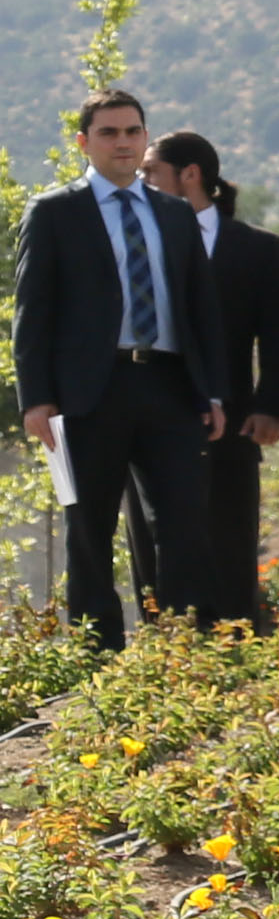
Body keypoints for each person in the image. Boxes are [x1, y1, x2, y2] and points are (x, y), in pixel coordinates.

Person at [13, 91, 223, 649]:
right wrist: (36, 399)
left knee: (182, 525)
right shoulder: (55, 211)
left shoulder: (175, 214)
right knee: (91, 530)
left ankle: (179, 653)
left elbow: (202, 310)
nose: (124, 142)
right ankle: (97, 657)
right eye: (109, 133)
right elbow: (33, 311)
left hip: (170, 386)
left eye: (133, 131)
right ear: (84, 142)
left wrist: (214, 393)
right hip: (89, 392)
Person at [134, 132, 279, 627]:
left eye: (150, 173)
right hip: (152, 413)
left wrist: (271, 407)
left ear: (190, 175)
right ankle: (166, 641)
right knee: (157, 533)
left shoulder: (258, 249)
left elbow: (276, 335)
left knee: (229, 530)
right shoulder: (139, 242)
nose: (141, 183)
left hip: (237, 418)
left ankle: (236, 639)